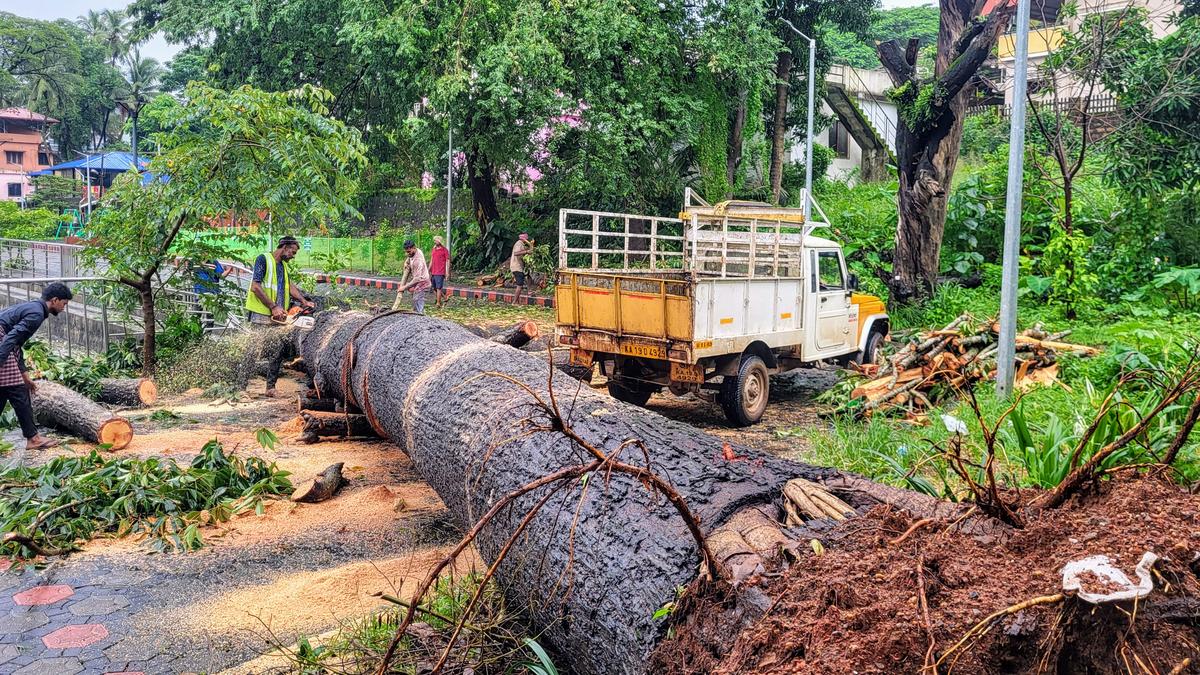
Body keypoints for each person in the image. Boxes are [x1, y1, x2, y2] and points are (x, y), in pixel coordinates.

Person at [0, 282, 73, 450]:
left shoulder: (34, 308)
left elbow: (16, 344)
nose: (64, 308)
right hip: (2, 345)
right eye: (64, 304)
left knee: (4, 390)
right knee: (17, 389)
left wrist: (24, 374)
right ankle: (33, 439)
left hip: (4, 344)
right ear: (55, 300)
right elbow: (10, 340)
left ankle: (33, 437)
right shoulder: (36, 314)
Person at [244, 236, 315, 397]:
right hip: (261, 313)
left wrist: (303, 301)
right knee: (252, 349)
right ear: (284, 247)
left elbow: (289, 287)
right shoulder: (264, 259)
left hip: (278, 315)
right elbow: (255, 286)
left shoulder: (283, 266)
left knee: (277, 351)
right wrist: (273, 306)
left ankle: (270, 387)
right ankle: (240, 387)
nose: (293, 256)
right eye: (293, 252)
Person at [392, 240, 432, 314]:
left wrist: (403, 287)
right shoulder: (415, 252)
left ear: (414, 248)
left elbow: (417, 279)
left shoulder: (418, 260)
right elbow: (409, 258)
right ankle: (419, 313)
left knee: (416, 300)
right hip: (418, 280)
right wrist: (406, 262)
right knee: (416, 299)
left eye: (409, 252)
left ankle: (419, 316)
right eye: (406, 252)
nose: (407, 254)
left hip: (422, 282)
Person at [193, 259, 232, 328]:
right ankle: (197, 334)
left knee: (210, 317)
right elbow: (188, 272)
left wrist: (229, 270)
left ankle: (208, 334)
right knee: (196, 315)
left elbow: (221, 276)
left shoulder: (214, 262)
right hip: (198, 292)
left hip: (211, 293)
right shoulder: (195, 260)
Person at [509, 232, 533, 305]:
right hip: (517, 267)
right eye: (526, 238)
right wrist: (526, 251)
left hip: (521, 267)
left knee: (528, 276)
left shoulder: (522, 245)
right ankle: (514, 302)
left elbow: (526, 252)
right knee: (519, 285)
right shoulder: (518, 244)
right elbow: (516, 253)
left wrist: (530, 248)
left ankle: (529, 291)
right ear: (524, 238)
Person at [429, 235, 451, 308]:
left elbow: (447, 261)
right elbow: (432, 260)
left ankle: (438, 303)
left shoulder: (444, 250)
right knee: (434, 287)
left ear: (439, 241)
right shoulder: (434, 249)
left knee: (439, 288)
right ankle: (445, 297)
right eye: (434, 240)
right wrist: (429, 269)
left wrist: (447, 272)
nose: (434, 241)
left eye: (436, 240)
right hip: (433, 271)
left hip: (440, 271)